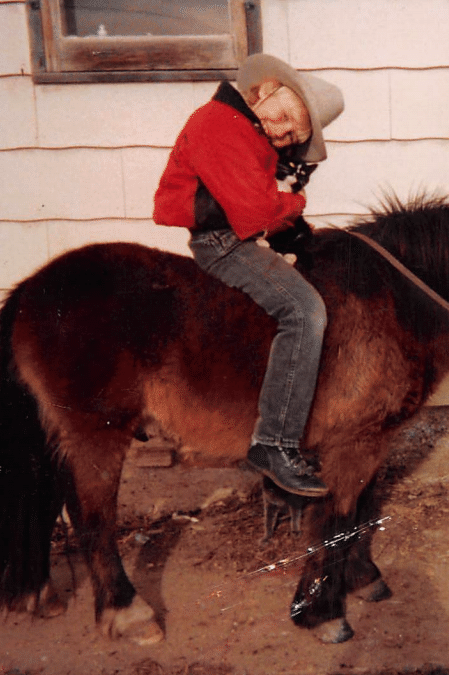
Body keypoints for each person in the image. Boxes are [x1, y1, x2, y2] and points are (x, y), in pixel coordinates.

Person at [153, 54, 344, 497]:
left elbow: (255, 202)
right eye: (282, 118)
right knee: (304, 310)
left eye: (293, 134)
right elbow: (255, 211)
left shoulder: (242, 128)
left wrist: (289, 224)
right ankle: (273, 443)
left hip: (233, 234)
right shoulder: (219, 123)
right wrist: (293, 207)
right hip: (223, 243)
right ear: (266, 89)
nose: (281, 133)